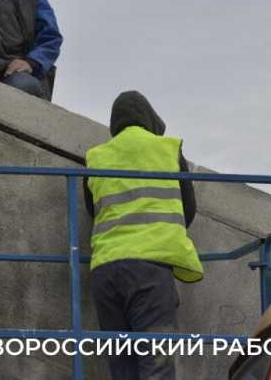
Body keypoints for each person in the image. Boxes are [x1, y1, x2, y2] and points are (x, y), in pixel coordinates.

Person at [84, 91, 203, 380]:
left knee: (122, 368)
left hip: (106, 270)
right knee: (156, 365)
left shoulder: (96, 157)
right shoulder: (167, 150)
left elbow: (92, 210)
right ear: (150, 118)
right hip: (149, 271)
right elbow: (188, 209)